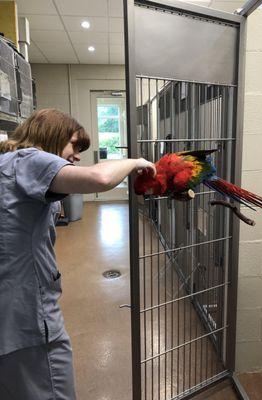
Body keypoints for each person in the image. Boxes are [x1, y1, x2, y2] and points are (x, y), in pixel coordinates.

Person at [0, 108, 156, 400]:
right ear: (51, 136)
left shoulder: (5, 163)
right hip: (26, 316)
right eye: (74, 144)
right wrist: (135, 161)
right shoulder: (30, 159)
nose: (77, 155)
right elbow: (99, 179)